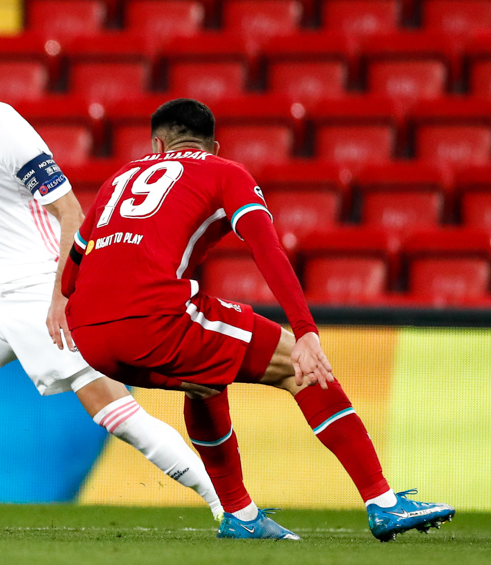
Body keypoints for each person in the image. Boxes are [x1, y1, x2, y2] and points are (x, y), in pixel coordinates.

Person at [0, 31, 221, 516]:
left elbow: (72, 214)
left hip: (38, 295)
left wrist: (61, 297)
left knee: (117, 415)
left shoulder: (7, 130)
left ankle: (228, 506)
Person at [61, 97, 454, 540]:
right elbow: (266, 249)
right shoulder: (224, 171)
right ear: (214, 144)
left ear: (157, 144)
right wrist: (305, 331)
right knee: (300, 366)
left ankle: (242, 517)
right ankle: (383, 502)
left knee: (206, 378)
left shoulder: (116, 180)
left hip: (89, 339)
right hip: (152, 321)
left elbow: (71, 274)